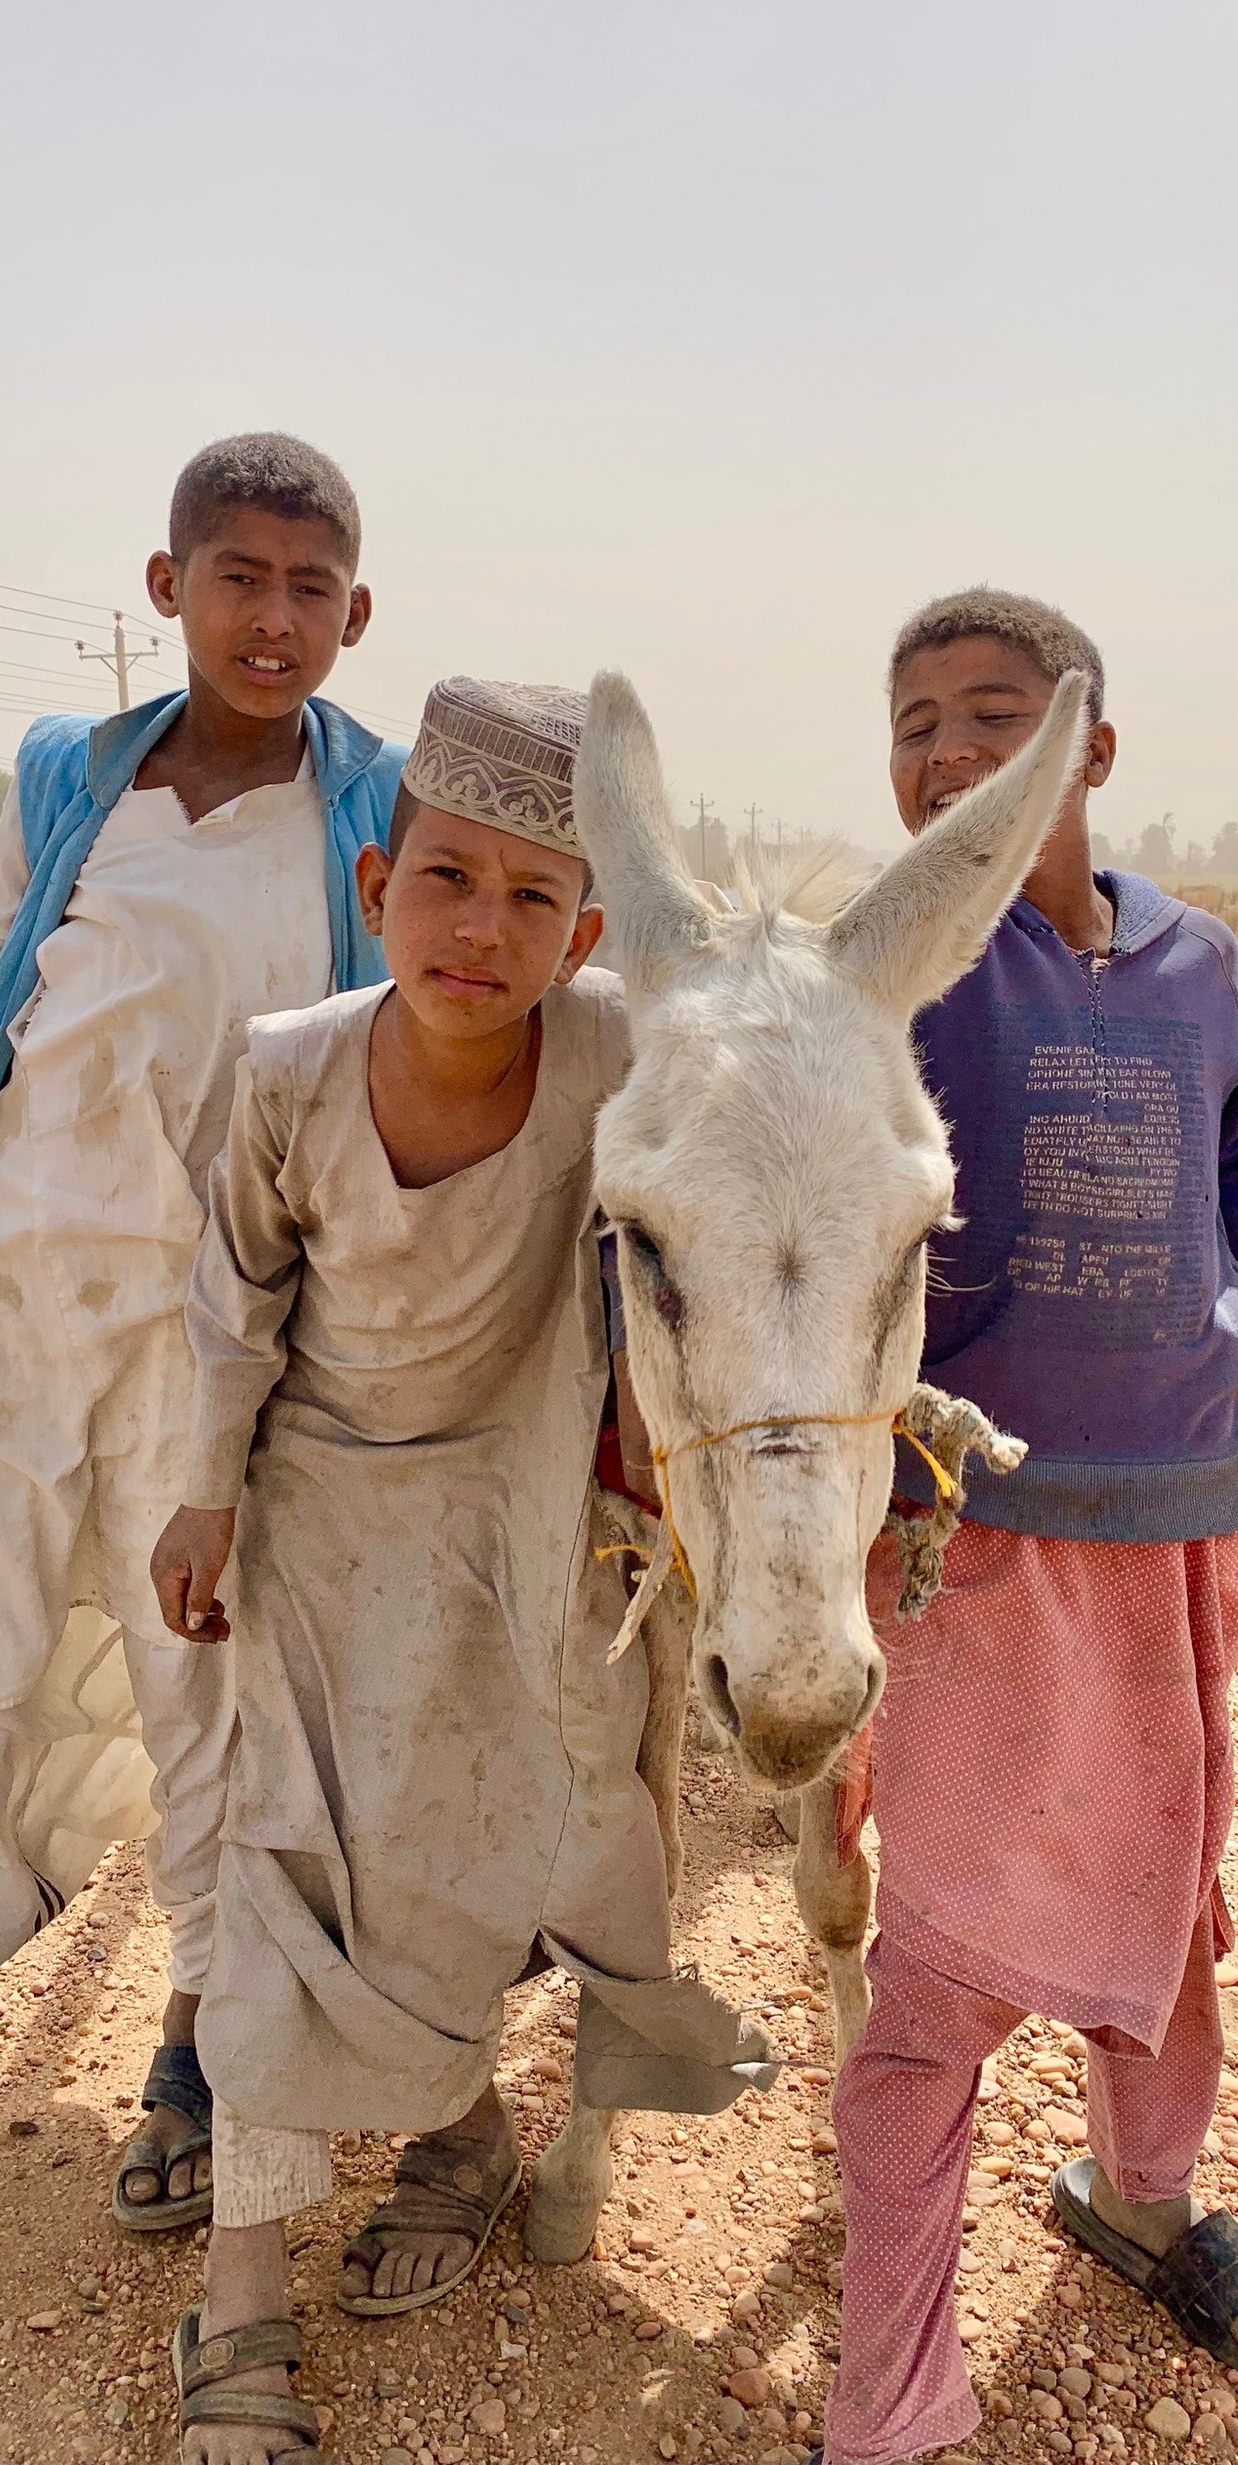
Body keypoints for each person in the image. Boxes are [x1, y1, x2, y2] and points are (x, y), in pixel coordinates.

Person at [0, 434, 406, 2344]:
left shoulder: (371, 806)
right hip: (18, 1324)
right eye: (237, 577)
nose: (270, 618)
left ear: (355, 615)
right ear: (166, 584)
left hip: (224, 1362)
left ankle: (197, 2048)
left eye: (308, 588)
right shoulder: (70, 781)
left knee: (213, 1714)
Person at [150, 676, 774, 2465]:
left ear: (587, 934)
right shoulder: (284, 1067)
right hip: (317, 1534)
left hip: (524, 1522)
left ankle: (465, 2134)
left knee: (503, 1841)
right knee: (288, 1878)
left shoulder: (615, 1054)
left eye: (531, 898)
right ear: (375, 884)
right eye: (447, 879)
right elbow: (232, 1300)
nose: (480, 929)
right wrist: (201, 1494)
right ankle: (245, 2295)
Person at [813, 589, 1238, 2465]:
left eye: (997, 715)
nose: (949, 754)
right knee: (940, 1983)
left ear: (1093, 750)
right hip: (973, 1551)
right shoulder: (873, 981)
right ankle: (890, 2399)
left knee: (1174, 1904)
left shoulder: (1204, 967)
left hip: (1189, 1527)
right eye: (915, 722)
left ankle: (1145, 2195)